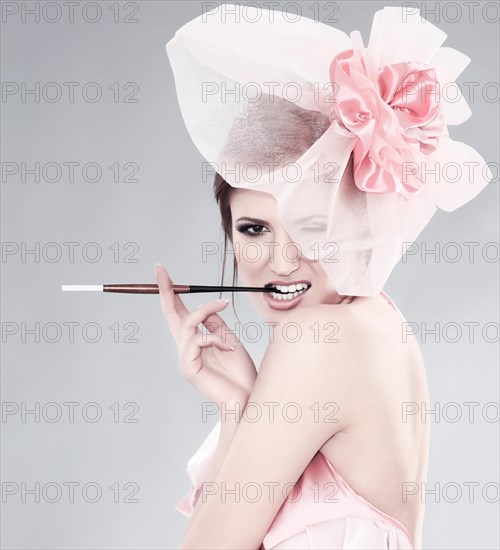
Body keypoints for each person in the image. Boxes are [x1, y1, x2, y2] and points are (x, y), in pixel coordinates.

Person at [161, 4, 493, 549]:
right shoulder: (378, 322)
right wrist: (237, 407)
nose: (282, 261)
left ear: (357, 216)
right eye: (253, 229)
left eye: (309, 225)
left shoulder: (320, 339)